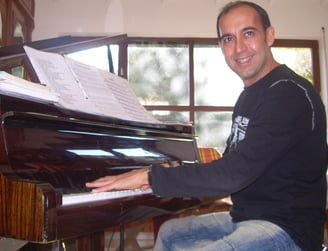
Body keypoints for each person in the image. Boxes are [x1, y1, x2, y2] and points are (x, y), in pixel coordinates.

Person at [86, 1, 328, 250]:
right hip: (247, 216)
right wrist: (172, 168)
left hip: (288, 228)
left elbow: (234, 173)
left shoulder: (289, 93)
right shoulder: (250, 96)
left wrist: (148, 177)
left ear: (269, 35)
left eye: (248, 33)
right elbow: (232, 161)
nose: (239, 48)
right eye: (228, 39)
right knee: (170, 233)